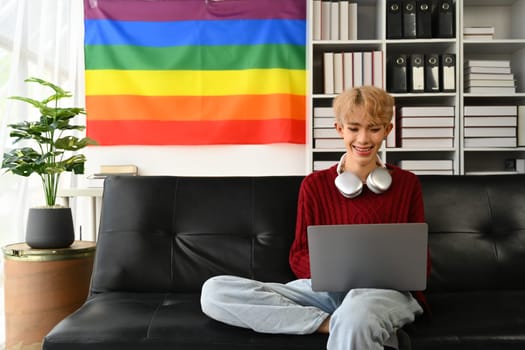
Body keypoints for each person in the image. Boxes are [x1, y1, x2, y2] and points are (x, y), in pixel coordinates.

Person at [201, 86, 430, 350]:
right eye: (354, 128)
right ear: (339, 129)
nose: (364, 139)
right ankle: (333, 323)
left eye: (374, 128)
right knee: (215, 291)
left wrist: (369, 280)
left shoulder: (407, 184)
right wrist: (337, 278)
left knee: (357, 315)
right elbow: (299, 256)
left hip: (384, 294)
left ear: (387, 130)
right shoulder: (315, 185)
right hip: (324, 293)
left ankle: (355, 321)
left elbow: (418, 264)